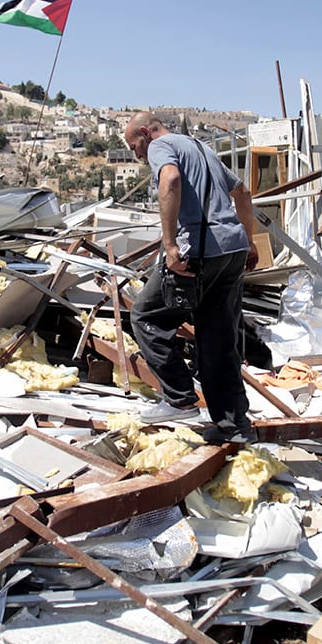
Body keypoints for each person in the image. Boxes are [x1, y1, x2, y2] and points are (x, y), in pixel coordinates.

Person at [122, 111, 259, 444]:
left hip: (197, 253)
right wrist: (250, 240)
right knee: (219, 338)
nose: (137, 155)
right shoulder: (200, 147)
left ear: (145, 132)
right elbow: (242, 192)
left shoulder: (161, 147)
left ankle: (179, 398)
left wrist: (169, 244)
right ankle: (236, 426)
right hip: (232, 251)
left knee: (146, 316)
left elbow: (169, 180)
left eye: (134, 146)